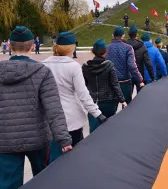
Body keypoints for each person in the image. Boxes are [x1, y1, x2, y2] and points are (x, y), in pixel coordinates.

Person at [0, 26, 72, 189]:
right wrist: (64, 139)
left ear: (9, 47)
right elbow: (53, 108)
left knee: (7, 184)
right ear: (33, 46)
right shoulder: (42, 72)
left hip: (5, 139)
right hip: (38, 138)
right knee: (44, 179)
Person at [42, 32, 105, 163]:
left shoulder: (43, 65)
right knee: (75, 157)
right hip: (71, 118)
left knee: (53, 157)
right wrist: (97, 113)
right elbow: (83, 95)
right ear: (72, 47)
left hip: (50, 118)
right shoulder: (73, 66)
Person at [82, 39, 127, 133]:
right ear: (105, 51)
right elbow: (115, 84)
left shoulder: (85, 66)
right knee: (109, 128)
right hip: (109, 100)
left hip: (93, 101)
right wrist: (122, 100)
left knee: (94, 130)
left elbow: (84, 85)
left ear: (92, 51)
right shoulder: (109, 65)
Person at [106, 26, 144, 104]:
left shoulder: (106, 48)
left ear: (112, 35)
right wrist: (140, 79)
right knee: (127, 106)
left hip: (111, 82)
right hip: (125, 82)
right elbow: (132, 66)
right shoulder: (128, 48)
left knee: (113, 105)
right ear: (123, 35)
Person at [125, 25, 155, 92]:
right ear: (137, 35)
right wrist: (152, 77)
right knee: (141, 96)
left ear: (128, 34)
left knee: (128, 98)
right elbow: (148, 63)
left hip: (127, 75)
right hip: (139, 74)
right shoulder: (142, 46)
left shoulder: (125, 45)